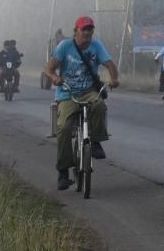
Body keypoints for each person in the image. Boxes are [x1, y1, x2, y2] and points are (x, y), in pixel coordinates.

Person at [43, 15, 120, 191]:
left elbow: (110, 64)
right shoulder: (65, 46)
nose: (87, 32)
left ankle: (95, 142)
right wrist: (54, 77)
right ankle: (63, 172)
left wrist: (114, 79)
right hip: (67, 93)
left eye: (90, 29)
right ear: (76, 31)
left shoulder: (96, 45)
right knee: (64, 128)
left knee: (100, 105)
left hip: (89, 90)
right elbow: (48, 68)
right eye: (84, 29)